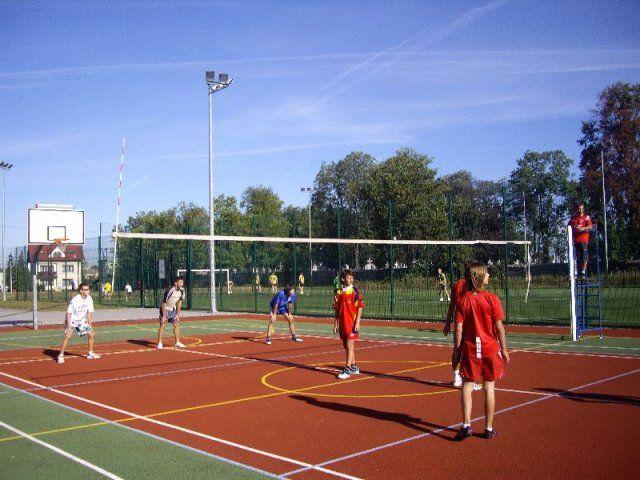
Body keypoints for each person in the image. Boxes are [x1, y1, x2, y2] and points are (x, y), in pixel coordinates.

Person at [453, 261, 510, 440]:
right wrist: (505, 350)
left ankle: (467, 424)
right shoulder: (492, 299)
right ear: (479, 278)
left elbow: (459, 328)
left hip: (471, 349)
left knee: (467, 386)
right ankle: (488, 428)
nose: (489, 276)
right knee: (489, 387)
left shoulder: (464, 301)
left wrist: (456, 349)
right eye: (486, 274)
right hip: (490, 349)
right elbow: (499, 328)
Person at [334, 269, 365, 379]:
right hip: (342, 323)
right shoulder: (339, 292)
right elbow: (337, 310)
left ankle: (347, 369)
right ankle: (354, 366)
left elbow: (360, 307)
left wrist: (357, 322)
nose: (351, 279)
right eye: (349, 277)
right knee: (346, 347)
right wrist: (336, 323)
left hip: (351, 323)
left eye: (352, 277)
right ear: (343, 279)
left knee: (350, 346)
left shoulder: (355, 292)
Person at [57, 283, 100, 364]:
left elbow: (89, 313)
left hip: (81, 321)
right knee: (68, 336)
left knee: (91, 334)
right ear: (81, 291)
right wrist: (69, 327)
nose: (88, 291)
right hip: (72, 320)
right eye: (86, 290)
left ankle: (90, 354)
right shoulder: (75, 300)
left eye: (88, 289)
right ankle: (61, 355)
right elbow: (68, 313)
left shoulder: (90, 299)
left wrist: (90, 326)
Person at [157, 276, 186, 350]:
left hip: (173, 309)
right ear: (175, 283)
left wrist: (178, 314)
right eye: (180, 282)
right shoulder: (170, 290)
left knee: (176, 325)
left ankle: (177, 342)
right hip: (164, 309)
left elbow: (180, 302)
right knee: (163, 325)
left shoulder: (182, 290)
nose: (182, 284)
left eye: (182, 282)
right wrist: (163, 316)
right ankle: (160, 343)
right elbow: (163, 303)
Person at [568, 203, 592, 279]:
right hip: (575, 241)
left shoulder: (586, 217)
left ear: (583, 209)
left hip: (584, 240)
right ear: (577, 209)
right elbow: (568, 226)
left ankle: (583, 272)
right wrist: (565, 231)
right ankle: (575, 273)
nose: (580, 210)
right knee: (574, 258)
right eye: (579, 209)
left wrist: (583, 228)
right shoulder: (573, 218)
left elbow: (590, 226)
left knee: (584, 257)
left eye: (581, 209)